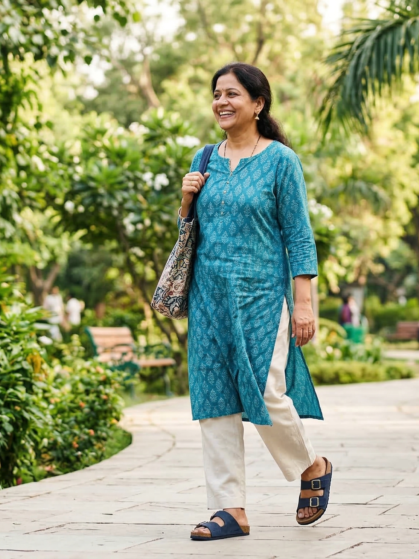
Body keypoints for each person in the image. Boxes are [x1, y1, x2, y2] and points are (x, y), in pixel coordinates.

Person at [179, 63, 331, 541]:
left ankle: (312, 465)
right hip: (208, 298)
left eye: (233, 94)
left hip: (263, 297)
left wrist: (303, 304)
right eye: (217, 94)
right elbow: (191, 235)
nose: (222, 102)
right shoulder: (204, 158)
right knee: (214, 400)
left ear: (258, 103)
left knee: (266, 392)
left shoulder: (281, 161)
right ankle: (229, 510)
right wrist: (185, 204)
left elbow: (298, 237)